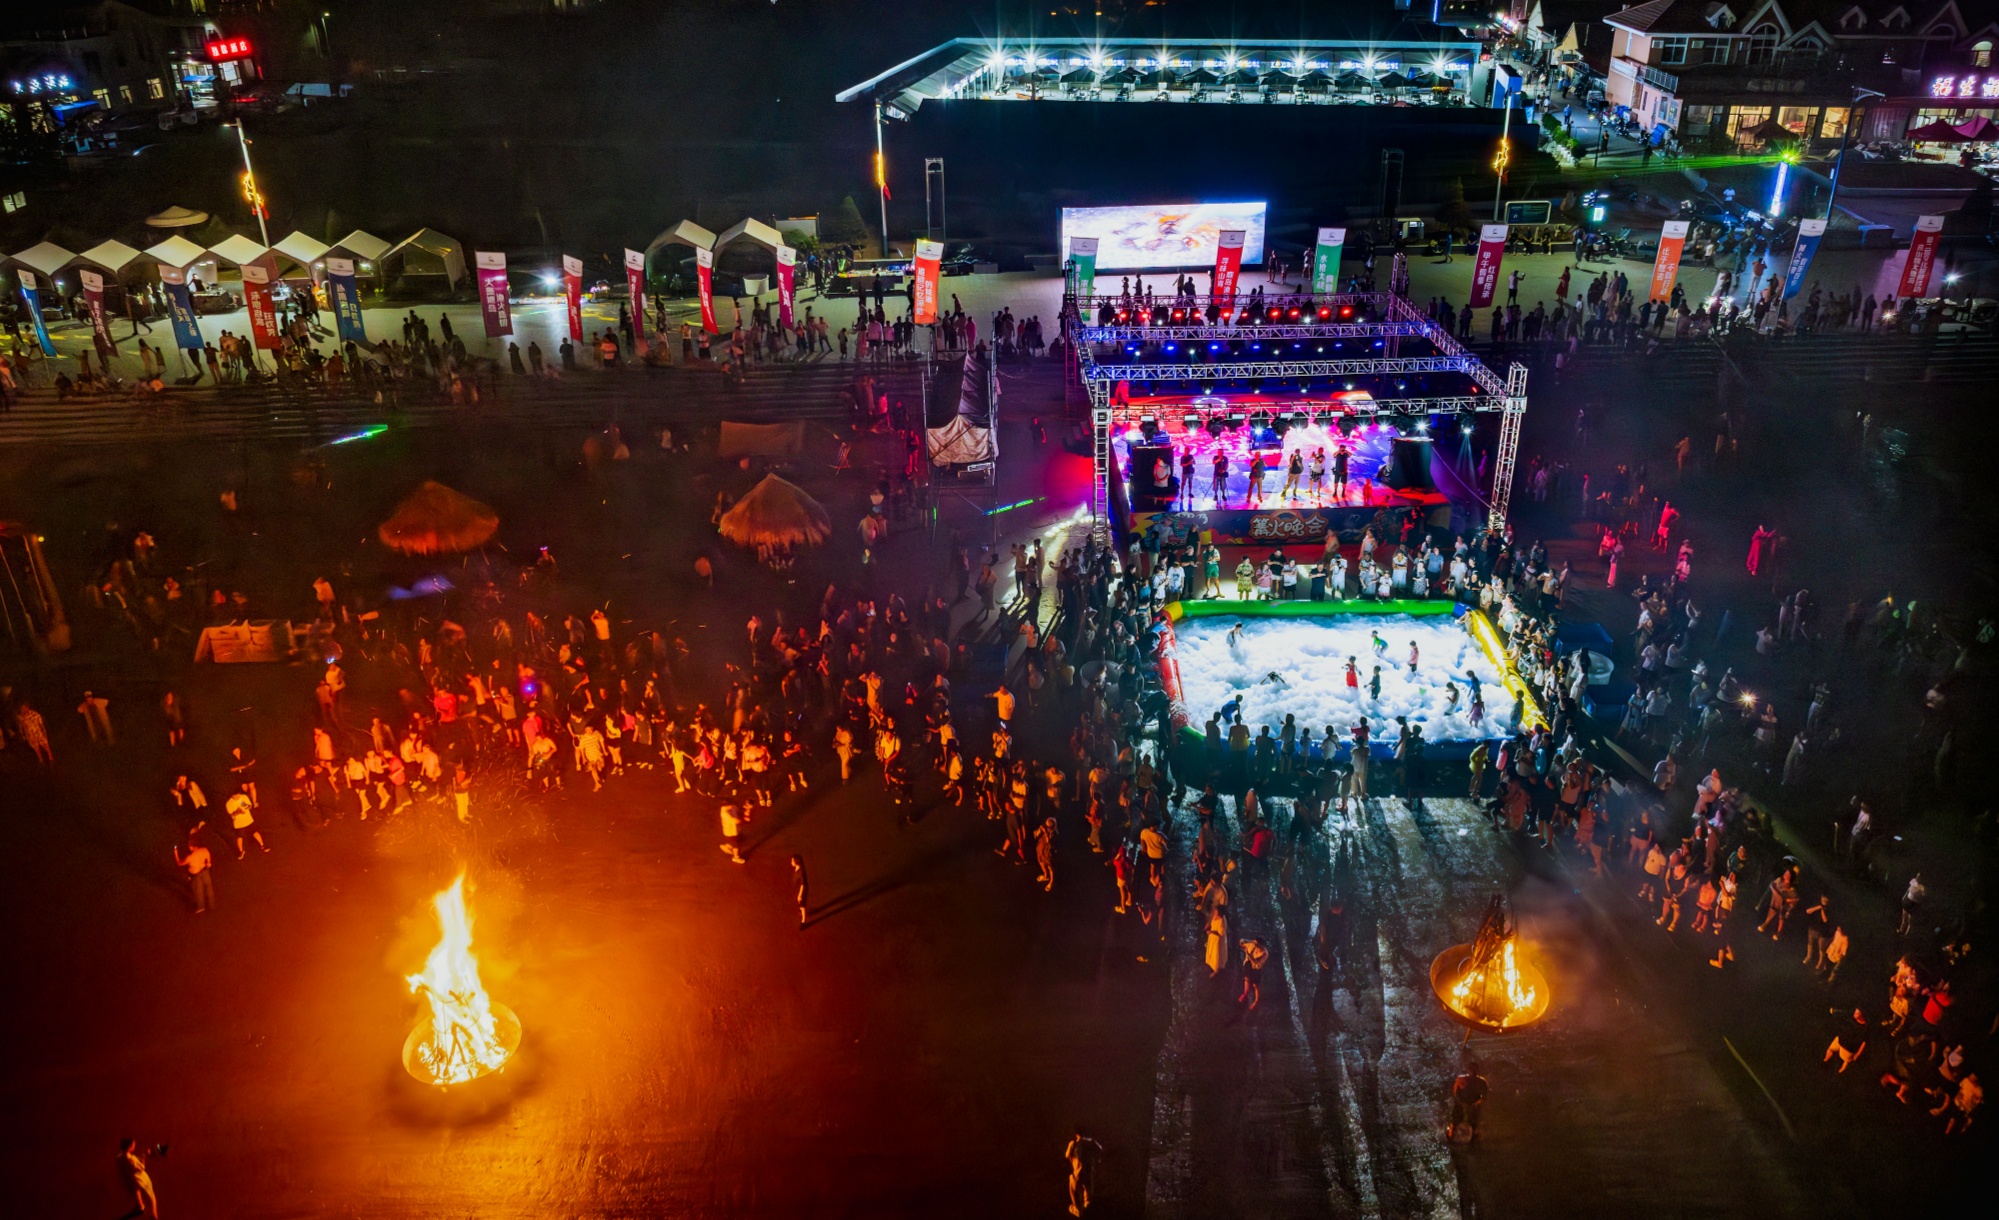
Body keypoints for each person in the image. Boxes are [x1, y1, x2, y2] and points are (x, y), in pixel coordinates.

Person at [117, 1138, 161, 1219]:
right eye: (133, 1145)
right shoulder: (131, 1159)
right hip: (142, 1179)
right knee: (152, 1196)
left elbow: (132, 1161)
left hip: (132, 1179)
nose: (134, 1146)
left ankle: (141, 1206)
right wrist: (144, 1156)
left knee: (138, 1191)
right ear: (129, 1147)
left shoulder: (121, 1157)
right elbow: (141, 1167)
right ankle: (154, 1215)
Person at [174, 829, 215, 913]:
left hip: (196, 874)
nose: (189, 847)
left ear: (194, 846)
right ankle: (211, 905)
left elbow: (179, 863)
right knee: (208, 887)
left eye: (190, 846)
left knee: (198, 891)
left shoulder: (190, 857)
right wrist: (208, 863)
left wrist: (176, 853)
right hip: (205, 870)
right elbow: (208, 859)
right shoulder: (205, 850)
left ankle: (201, 907)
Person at [1064, 1130, 1103, 1216]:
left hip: (1077, 1172)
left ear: (1076, 1134)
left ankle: (1078, 1209)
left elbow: (1067, 1155)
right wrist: (1098, 1160)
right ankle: (1087, 1206)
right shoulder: (1091, 1142)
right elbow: (1100, 1150)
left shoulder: (1073, 1143)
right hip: (1089, 1171)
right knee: (1088, 1192)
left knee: (1073, 1188)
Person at [1448, 1062, 1489, 1143]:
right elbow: (1456, 1092)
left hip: (1473, 1105)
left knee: (1473, 1122)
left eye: (1475, 1069)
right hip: (1460, 1104)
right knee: (1455, 1120)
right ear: (1468, 1069)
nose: (1473, 1071)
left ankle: (1473, 1138)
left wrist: (1475, 1104)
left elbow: (1484, 1096)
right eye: (1471, 1069)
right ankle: (1451, 1137)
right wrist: (1460, 1102)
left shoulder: (1481, 1082)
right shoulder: (1461, 1079)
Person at [225, 789, 269, 858]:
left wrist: (245, 805)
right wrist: (237, 812)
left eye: (238, 794)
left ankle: (262, 845)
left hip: (248, 820)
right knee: (239, 837)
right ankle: (241, 851)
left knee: (255, 832)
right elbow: (231, 815)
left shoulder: (243, 797)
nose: (237, 797)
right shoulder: (229, 803)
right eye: (235, 796)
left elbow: (250, 806)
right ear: (231, 796)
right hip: (239, 823)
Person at [791, 855, 809, 927]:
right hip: (798, 889)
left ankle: (803, 921)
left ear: (796, 862)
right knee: (800, 903)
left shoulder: (801, 872)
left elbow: (803, 884)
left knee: (802, 906)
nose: (791, 862)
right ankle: (801, 911)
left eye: (792, 861)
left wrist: (800, 894)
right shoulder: (797, 868)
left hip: (802, 890)